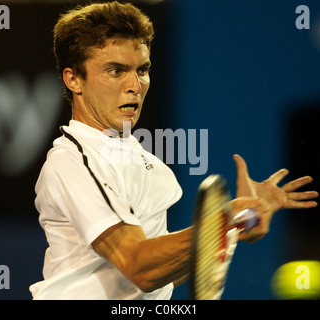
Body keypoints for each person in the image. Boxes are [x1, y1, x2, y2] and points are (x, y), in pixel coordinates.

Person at [29, 2, 318, 300]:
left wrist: (241, 222)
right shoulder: (72, 162)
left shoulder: (149, 166)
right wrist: (224, 220)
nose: (134, 86)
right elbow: (140, 268)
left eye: (142, 70)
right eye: (116, 71)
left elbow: (159, 273)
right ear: (73, 79)